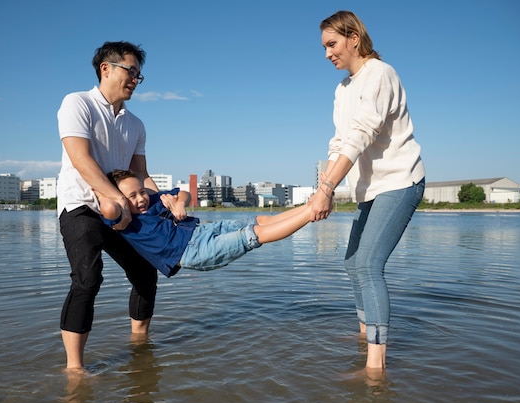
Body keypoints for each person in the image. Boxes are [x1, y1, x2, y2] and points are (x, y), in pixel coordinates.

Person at [309, 11, 426, 370]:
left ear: (354, 38)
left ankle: (375, 366)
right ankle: (365, 333)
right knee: (351, 263)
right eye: (324, 47)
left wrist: (328, 188)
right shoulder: (342, 89)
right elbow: (339, 142)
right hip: (370, 189)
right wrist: (321, 186)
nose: (327, 53)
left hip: (400, 181)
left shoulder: (380, 73)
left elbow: (362, 134)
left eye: (332, 44)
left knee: (368, 264)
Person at [56, 41, 169, 371]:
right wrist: (115, 198)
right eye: (130, 71)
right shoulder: (77, 103)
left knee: (146, 273)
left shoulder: (136, 124)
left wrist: (165, 203)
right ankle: (74, 369)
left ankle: (139, 344)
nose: (135, 79)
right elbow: (80, 159)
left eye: (139, 75)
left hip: (122, 210)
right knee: (88, 280)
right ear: (106, 68)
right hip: (81, 206)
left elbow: (141, 174)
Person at [96, 170, 314, 277]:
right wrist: (116, 196)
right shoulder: (125, 221)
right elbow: (108, 207)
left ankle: (310, 205)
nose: (141, 198)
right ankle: (312, 213)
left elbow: (183, 193)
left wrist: (180, 205)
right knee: (254, 234)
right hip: (194, 252)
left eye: (141, 191)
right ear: (121, 199)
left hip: (202, 230)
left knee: (260, 220)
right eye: (132, 196)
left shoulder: (153, 200)